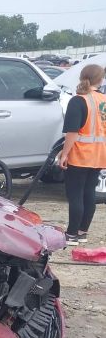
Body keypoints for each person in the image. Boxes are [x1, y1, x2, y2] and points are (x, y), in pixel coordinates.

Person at [57, 64, 106, 246]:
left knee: (75, 194)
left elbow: (73, 132)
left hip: (80, 154)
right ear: (100, 80)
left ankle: (71, 235)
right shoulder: (103, 100)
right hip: (99, 154)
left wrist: (64, 154)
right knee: (89, 193)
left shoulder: (78, 101)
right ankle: (82, 232)